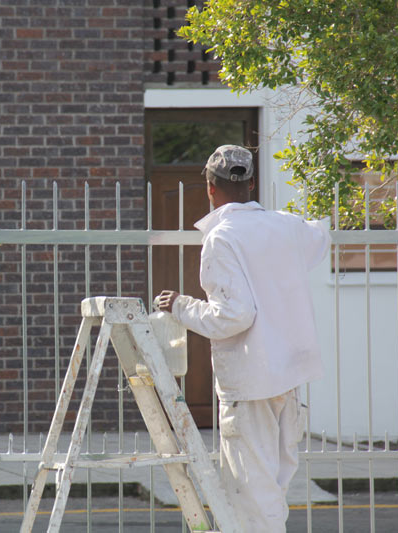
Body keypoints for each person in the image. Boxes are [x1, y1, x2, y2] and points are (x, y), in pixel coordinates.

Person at [155, 144, 330, 532]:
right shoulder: (287, 226)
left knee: (251, 497)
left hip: (250, 382)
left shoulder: (222, 238)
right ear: (251, 184)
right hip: (289, 376)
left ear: (210, 188)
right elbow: (319, 236)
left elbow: (233, 317)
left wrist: (181, 306)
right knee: (272, 491)